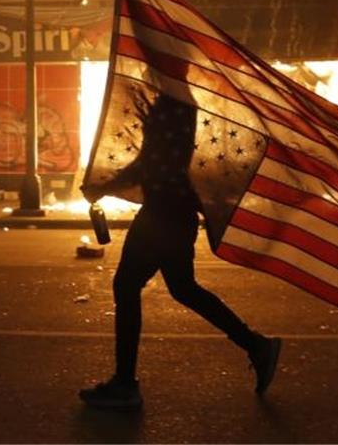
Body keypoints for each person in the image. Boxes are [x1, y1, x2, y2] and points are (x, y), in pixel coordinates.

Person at [79, 93, 282, 410]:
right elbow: (154, 161)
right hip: (174, 212)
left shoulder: (172, 103)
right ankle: (255, 345)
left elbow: (153, 163)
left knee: (127, 285)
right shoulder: (175, 100)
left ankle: (124, 385)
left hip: (164, 214)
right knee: (183, 288)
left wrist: (103, 187)